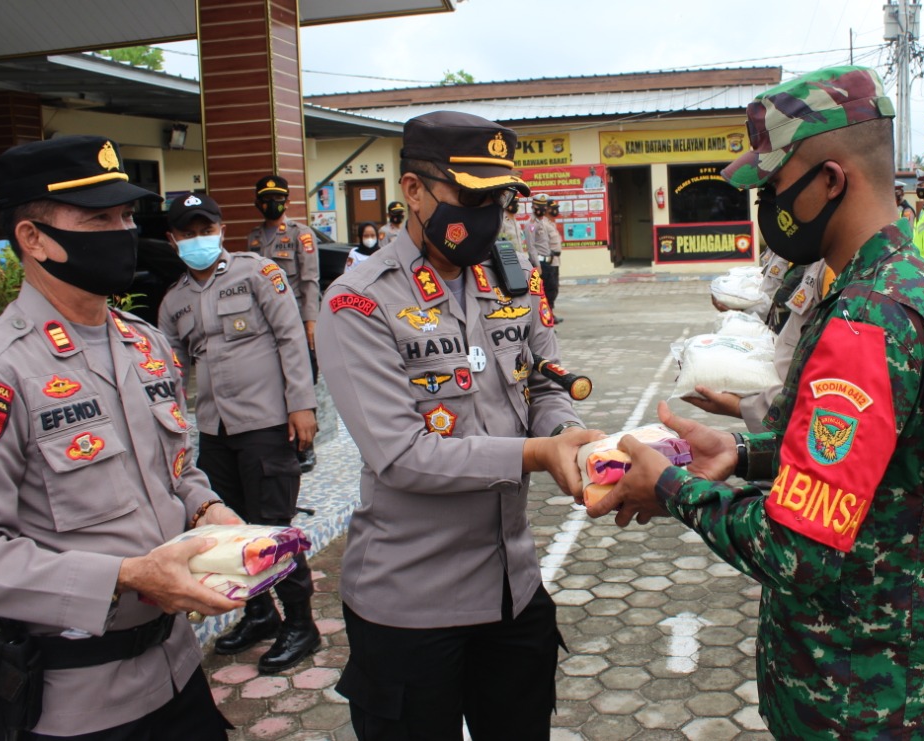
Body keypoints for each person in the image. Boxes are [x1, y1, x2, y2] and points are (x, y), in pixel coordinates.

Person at [589, 66, 924, 739]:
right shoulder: (915, 286)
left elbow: (796, 546)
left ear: (830, 179)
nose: (768, 205)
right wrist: (739, 451)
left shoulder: (866, 319)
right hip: (899, 667)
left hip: (852, 690)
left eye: (773, 186)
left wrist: (671, 486)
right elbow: (875, 466)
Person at [316, 111, 598, 740]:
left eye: (498, 198)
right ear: (413, 191)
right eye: (471, 197)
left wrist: (569, 438)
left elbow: (542, 379)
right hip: (412, 604)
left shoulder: (510, 279)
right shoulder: (359, 301)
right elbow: (402, 454)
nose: (489, 214)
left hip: (513, 587)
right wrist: (537, 453)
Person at [0, 136, 243, 739]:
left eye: (124, 216)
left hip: (177, 670)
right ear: (33, 239)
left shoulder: (143, 341)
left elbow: (175, 468)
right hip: (76, 701)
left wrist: (209, 508)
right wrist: (125, 576)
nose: (121, 231)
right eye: (98, 219)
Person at [158, 193, 321, 673]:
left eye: (205, 228)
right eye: (187, 233)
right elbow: (168, 373)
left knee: (272, 526)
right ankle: (258, 614)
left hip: (268, 423)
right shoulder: (174, 302)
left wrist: (302, 405)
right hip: (215, 431)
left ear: (221, 229)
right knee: (231, 530)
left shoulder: (257, 273)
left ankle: (301, 624)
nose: (198, 239)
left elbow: (292, 336)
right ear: (173, 240)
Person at [686, 259, 835, 433]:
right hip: (781, 408)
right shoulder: (811, 261)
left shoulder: (832, 270)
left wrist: (745, 408)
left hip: (798, 419)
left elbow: (825, 389)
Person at [246, 175, 320, 473]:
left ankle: (306, 446)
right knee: (272, 381)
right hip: (262, 323)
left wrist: (311, 322)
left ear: (288, 201)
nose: (272, 204)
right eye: (266, 199)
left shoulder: (300, 234)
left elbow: (310, 281)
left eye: (278, 198)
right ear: (257, 203)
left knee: (300, 381)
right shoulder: (253, 238)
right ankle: (283, 441)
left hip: (294, 320)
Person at [526, 193, 563, 322]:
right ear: (533, 206)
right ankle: (544, 320)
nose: (542, 209)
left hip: (549, 262)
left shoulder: (544, 223)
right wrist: (537, 266)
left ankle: (549, 317)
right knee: (543, 294)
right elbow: (531, 247)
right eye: (539, 206)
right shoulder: (531, 224)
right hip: (541, 265)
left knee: (551, 291)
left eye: (544, 206)